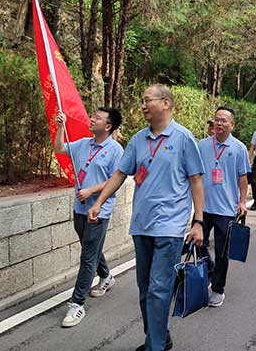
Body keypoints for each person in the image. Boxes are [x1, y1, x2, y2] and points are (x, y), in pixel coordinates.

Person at [89, 84, 205, 351]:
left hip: (170, 227)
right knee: (145, 290)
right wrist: (99, 201)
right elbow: (119, 173)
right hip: (142, 225)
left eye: (147, 100)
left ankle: (155, 346)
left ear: (165, 103)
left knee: (158, 288)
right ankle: (159, 336)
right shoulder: (138, 139)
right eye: (141, 100)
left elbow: (196, 181)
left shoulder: (183, 138)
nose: (142, 105)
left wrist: (197, 222)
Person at [55, 107, 124, 328]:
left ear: (108, 126)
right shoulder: (84, 143)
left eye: (97, 118)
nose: (92, 119)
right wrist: (59, 128)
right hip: (79, 207)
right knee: (90, 248)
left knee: (87, 256)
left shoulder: (115, 150)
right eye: (93, 115)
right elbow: (60, 148)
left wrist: (92, 191)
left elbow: (115, 180)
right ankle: (106, 277)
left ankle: (77, 304)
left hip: (98, 209)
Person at [198, 106, 250, 308]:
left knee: (222, 252)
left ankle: (218, 289)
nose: (219, 123)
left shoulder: (238, 148)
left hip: (226, 210)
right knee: (197, 244)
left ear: (232, 125)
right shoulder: (202, 145)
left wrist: (242, 201)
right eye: (216, 119)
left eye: (224, 120)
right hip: (204, 206)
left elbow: (243, 177)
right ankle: (210, 271)